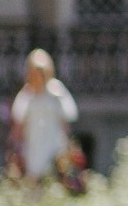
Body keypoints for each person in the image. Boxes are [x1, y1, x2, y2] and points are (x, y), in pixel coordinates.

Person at [7, 49, 80, 188]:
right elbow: (18, 126)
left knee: (56, 180)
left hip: (55, 144)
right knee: (34, 183)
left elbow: (65, 121)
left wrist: (70, 147)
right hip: (33, 146)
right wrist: (15, 150)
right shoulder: (26, 95)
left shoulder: (56, 92)